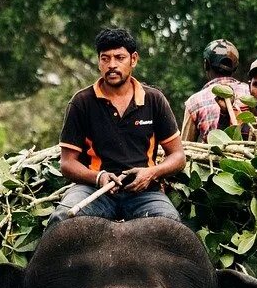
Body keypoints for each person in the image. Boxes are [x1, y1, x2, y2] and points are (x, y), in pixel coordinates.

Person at [49, 27, 185, 227]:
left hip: (145, 193)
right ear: (99, 62)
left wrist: (151, 173)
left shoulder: (154, 99)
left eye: (119, 57)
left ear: (134, 59)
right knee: (60, 220)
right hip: (94, 191)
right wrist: (99, 177)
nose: (112, 65)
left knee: (171, 224)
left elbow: (178, 156)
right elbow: (67, 163)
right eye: (105, 58)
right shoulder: (81, 102)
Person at [181, 39, 252, 142]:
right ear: (235, 67)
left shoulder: (193, 102)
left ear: (206, 64)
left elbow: (186, 147)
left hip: (211, 157)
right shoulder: (250, 92)